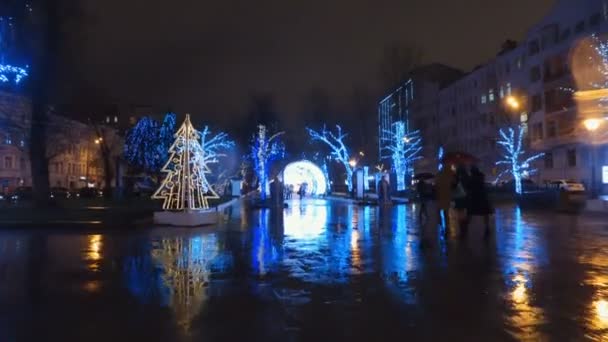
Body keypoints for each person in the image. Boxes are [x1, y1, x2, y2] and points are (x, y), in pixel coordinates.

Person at [465, 166, 493, 239]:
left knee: (470, 213)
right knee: (485, 213)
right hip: (482, 197)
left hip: (474, 198)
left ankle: (465, 228)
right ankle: (487, 227)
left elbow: (468, 187)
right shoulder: (481, 177)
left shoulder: (471, 178)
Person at [435, 166, 455, 231]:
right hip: (446, 196)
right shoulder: (449, 176)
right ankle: (447, 225)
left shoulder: (439, 176)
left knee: (438, 211)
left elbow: (436, 186)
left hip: (440, 196)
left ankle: (441, 224)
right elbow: (452, 185)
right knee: (445, 212)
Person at [453, 165, 470, 237]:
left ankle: (462, 230)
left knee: (460, 213)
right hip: (466, 197)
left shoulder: (456, 178)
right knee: (464, 213)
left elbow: (453, 187)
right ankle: (465, 228)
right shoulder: (467, 177)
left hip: (459, 197)